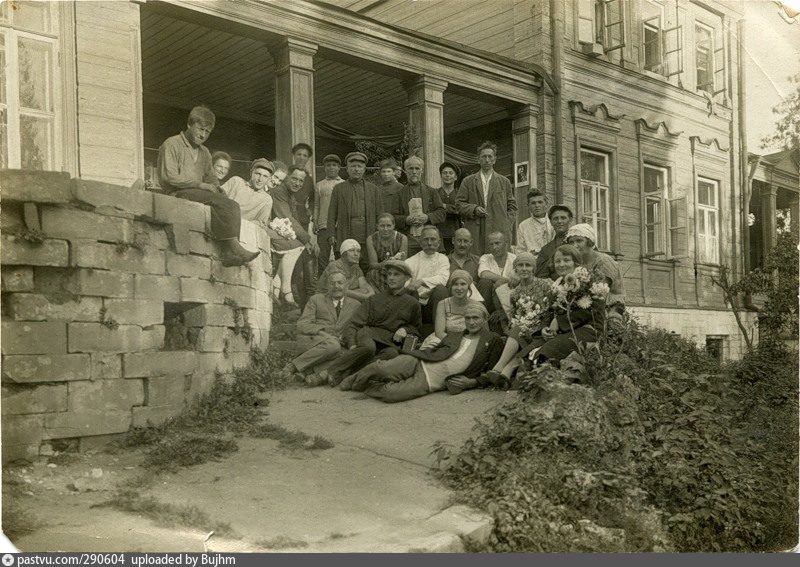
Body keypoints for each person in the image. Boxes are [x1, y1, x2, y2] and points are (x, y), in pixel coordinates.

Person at [156, 106, 258, 267]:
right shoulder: (172, 144)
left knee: (227, 202)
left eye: (207, 132)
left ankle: (228, 251)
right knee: (224, 204)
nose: (203, 135)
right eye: (200, 129)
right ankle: (231, 249)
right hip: (176, 193)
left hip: (197, 193)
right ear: (189, 124)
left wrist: (217, 188)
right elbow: (169, 177)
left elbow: (211, 177)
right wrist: (201, 185)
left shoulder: (204, 152)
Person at [345, 303, 505, 403]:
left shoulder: (493, 339)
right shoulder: (455, 335)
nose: (471, 322)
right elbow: (436, 349)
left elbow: (492, 371)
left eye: (475, 318)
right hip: (420, 360)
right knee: (382, 369)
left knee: (391, 395)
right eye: (468, 318)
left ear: (485, 319)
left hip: (431, 380)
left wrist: (472, 383)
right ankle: (354, 380)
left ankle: (368, 386)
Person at [451, 251, 551, 392]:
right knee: (515, 328)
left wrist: (541, 327)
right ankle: (502, 374)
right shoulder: (515, 293)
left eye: (528, 265)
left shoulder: (545, 285)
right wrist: (511, 328)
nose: (524, 268)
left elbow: (553, 309)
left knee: (519, 331)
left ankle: (500, 370)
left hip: (542, 329)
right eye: (520, 265)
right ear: (515, 269)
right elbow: (515, 316)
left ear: (534, 268)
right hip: (524, 330)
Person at [319, 259, 421, 387]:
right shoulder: (374, 299)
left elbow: (416, 328)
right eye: (389, 274)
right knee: (369, 348)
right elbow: (354, 323)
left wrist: (406, 329)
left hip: (388, 340)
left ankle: (349, 375)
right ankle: (328, 372)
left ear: (407, 278)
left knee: (392, 354)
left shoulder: (412, 303)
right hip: (368, 334)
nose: (391, 278)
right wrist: (351, 343)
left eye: (396, 274)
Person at [221, 158, 303, 304]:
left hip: (245, 234)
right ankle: (280, 288)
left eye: (265, 176)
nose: (260, 179)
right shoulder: (236, 182)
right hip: (224, 226)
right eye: (258, 174)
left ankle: (276, 287)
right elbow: (220, 198)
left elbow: (261, 223)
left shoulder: (266, 199)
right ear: (251, 172)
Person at [277, 269, 361, 386]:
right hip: (313, 341)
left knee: (347, 354)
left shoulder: (356, 305)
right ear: (327, 285)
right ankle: (293, 366)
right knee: (333, 345)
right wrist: (325, 333)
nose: (336, 286)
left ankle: (308, 372)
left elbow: (356, 328)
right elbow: (303, 325)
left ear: (346, 284)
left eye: (340, 283)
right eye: (332, 283)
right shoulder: (316, 299)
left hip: (336, 347)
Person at [327, 151, 384, 274]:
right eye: (353, 166)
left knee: (367, 266)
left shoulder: (373, 189)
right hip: (346, 232)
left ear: (364, 169)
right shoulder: (339, 188)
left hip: (367, 233)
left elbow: (380, 214)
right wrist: (331, 234)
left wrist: (379, 234)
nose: (356, 169)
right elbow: (331, 214)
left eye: (359, 167)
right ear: (347, 169)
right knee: (345, 266)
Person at [456, 141, 517, 254]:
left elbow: (512, 206)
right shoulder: (468, 181)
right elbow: (459, 204)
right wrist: (474, 209)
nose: (487, 160)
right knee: (475, 262)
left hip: (497, 229)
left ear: (495, 159)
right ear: (478, 159)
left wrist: (506, 223)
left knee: (497, 261)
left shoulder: (504, 182)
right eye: (484, 156)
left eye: (490, 156)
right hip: (475, 229)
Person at [271, 166, 320, 308]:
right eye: (294, 179)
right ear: (287, 178)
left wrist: (308, 239)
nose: (297, 183)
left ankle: (277, 284)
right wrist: (307, 240)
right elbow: (287, 218)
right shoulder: (279, 192)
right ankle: (285, 287)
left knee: (299, 246)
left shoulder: (290, 195)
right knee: (297, 246)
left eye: (301, 181)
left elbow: (294, 219)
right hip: (268, 227)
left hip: (279, 228)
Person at [565, 223, 625, 307]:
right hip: (584, 308)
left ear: (589, 242)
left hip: (608, 309)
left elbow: (599, 292)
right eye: (571, 242)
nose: (574, 245)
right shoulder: (576, 263)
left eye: (579, 240)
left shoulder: (604, 261)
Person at [396, 156, 446, 256]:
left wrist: (427, 217)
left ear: (422, 171)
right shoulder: (399, 193)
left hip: (429, 240)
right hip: (409, 241)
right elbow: (393, 217)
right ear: (405, 171)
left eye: (417, 168)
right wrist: (406, 219)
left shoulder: (431, 191)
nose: (414, 171)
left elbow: (442, 213)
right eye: (411, 168)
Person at [404, 225, 450, 331]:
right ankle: (412, 331)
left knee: (441, 289)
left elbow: (443, 279)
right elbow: (406, 283)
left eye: (433, 239)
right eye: (426, 239)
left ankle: (438, 330)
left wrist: (421, 281)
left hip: (434, 304)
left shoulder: (443, 259)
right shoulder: (410, 261)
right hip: (416, 305)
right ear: (420, 242)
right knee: (411, 291)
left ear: (438, 242)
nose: (429, 243)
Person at [419, 269, 480, 349]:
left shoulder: (477, 306)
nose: (459, 288)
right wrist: (454, 344)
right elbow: (439, 332)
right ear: (451, 287)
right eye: (455, 284)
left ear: (468, 287)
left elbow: (482, 333)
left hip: (468, 341)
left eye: (463, 284)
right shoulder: (443, 304)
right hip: (444, 339)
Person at [314, 154, 343, 273]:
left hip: (339, 226)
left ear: (339, 168)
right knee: (322, 257)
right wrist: (315, 221)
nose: (331, 168)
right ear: (324, 168)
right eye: (328, 165)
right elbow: (316, 205)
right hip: (323, 225)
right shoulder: (319, 185)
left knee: (339, 256)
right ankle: (322, 285)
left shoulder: (343, 184)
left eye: (334, 165)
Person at [476, 231, 517, 314]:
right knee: (485, 282)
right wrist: (506, 280)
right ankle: (483, 315)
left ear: (506, 243)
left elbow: (518, 280)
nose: (494, 247)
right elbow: (484, 274)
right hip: (489, 300)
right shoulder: (486, 258)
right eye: (491, 244)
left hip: (509, 299)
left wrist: (500, 283)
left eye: (497, 243)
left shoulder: (514, 259)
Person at [535, 204, 574, 280]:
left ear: (570, 220)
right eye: (555, 219)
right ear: (551, 222)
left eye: (563, 218)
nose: (559, 221)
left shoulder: (578, 243)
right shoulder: (545, 250)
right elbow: (540, 276)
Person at [515, 190, 554, 258]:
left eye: (540, 202)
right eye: (533, 203)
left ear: (546, 204)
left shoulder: (553, 222)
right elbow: (520, 250)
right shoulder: (523, 226)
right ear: (528, 206)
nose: (537, 205)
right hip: (532, 262)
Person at [436, 161, 462, 253]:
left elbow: (460, 210)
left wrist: (443, 206)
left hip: (454, 233)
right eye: (444, 173)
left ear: (455, 177)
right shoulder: (435, 193)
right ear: (441, 176)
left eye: (450, 173)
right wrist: (451, 209)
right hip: (438, 234)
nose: (447, 175)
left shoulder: (460, 194)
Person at [290, 142, 315, 232]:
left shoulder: (309, 179)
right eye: (299, 154)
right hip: (286, 215)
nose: (301, 158)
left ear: (308, 158)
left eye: (305, 155)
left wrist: (310, 210)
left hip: (302, 216)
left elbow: (313, 198)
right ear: (294, 155)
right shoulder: (286, 173)